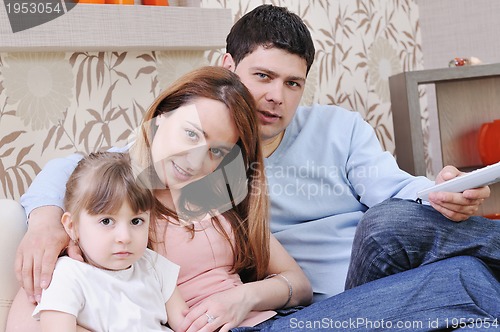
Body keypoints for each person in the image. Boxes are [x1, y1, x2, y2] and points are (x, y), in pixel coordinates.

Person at [6, 4, 500, 331]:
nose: (274, 96)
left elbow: (395, 188)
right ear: (228, 66)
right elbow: (86, 171)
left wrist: (440, 189)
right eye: (263, 76)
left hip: (332, 292)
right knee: (463, 279)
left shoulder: (239, 178)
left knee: (406, 232)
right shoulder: (152, 183)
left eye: (292, 83)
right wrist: (48, 217)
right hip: (306, 309)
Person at [7, 66, 313, 331]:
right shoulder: (122, 202)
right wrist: (44, 222)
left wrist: (243, 298)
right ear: (161, 117)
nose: (195, 162)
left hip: (278, 319)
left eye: (216, 151)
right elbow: (34, 314)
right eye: (191, 134)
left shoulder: (216, 193)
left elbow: (299, 286)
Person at [33, 152, 188, 332]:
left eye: (136, 221)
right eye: (106, 221)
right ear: (72, 226)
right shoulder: (68, 276)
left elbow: (187, 325)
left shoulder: (153, 265)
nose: (125, 237)